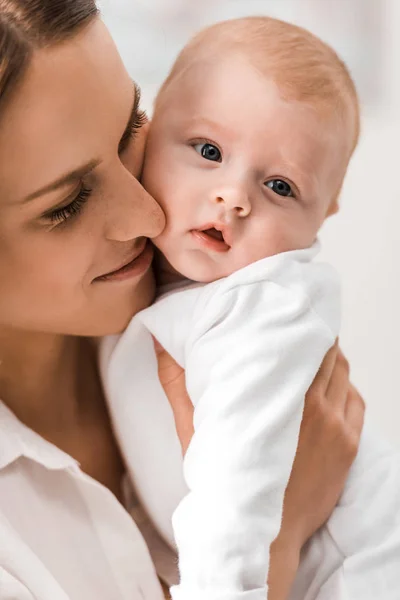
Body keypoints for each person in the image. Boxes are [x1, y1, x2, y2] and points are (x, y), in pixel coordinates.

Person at [0, 2, 365, 599]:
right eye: (65, 205)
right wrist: (281, 539)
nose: (147, 212)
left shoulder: (228, 312)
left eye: (129, 132)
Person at [103, 16, 400, 600]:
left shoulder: (264, 308)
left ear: (324, 215)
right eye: (209, 150)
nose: (234, 197)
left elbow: (234, 495)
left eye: (281, 187)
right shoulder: (150, 286)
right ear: (147, 129)